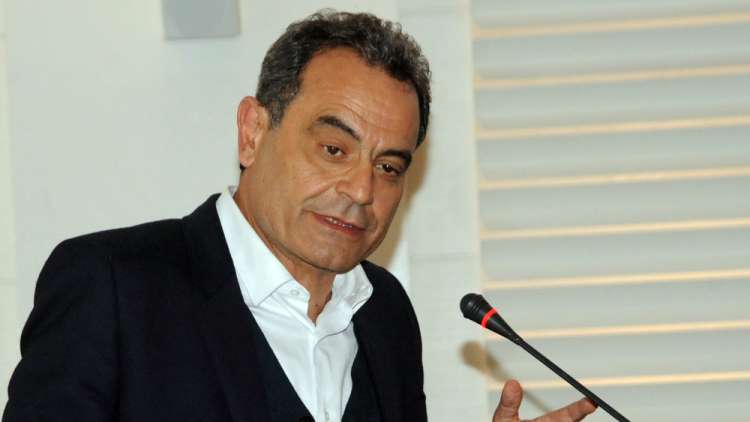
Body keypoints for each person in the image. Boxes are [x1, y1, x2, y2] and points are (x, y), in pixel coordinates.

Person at [3, 10, 596, 422]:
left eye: (389, 166)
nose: (361, 189)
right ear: (253, 132)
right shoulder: (113, 283)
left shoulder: (386, 314)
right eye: (334, 149)